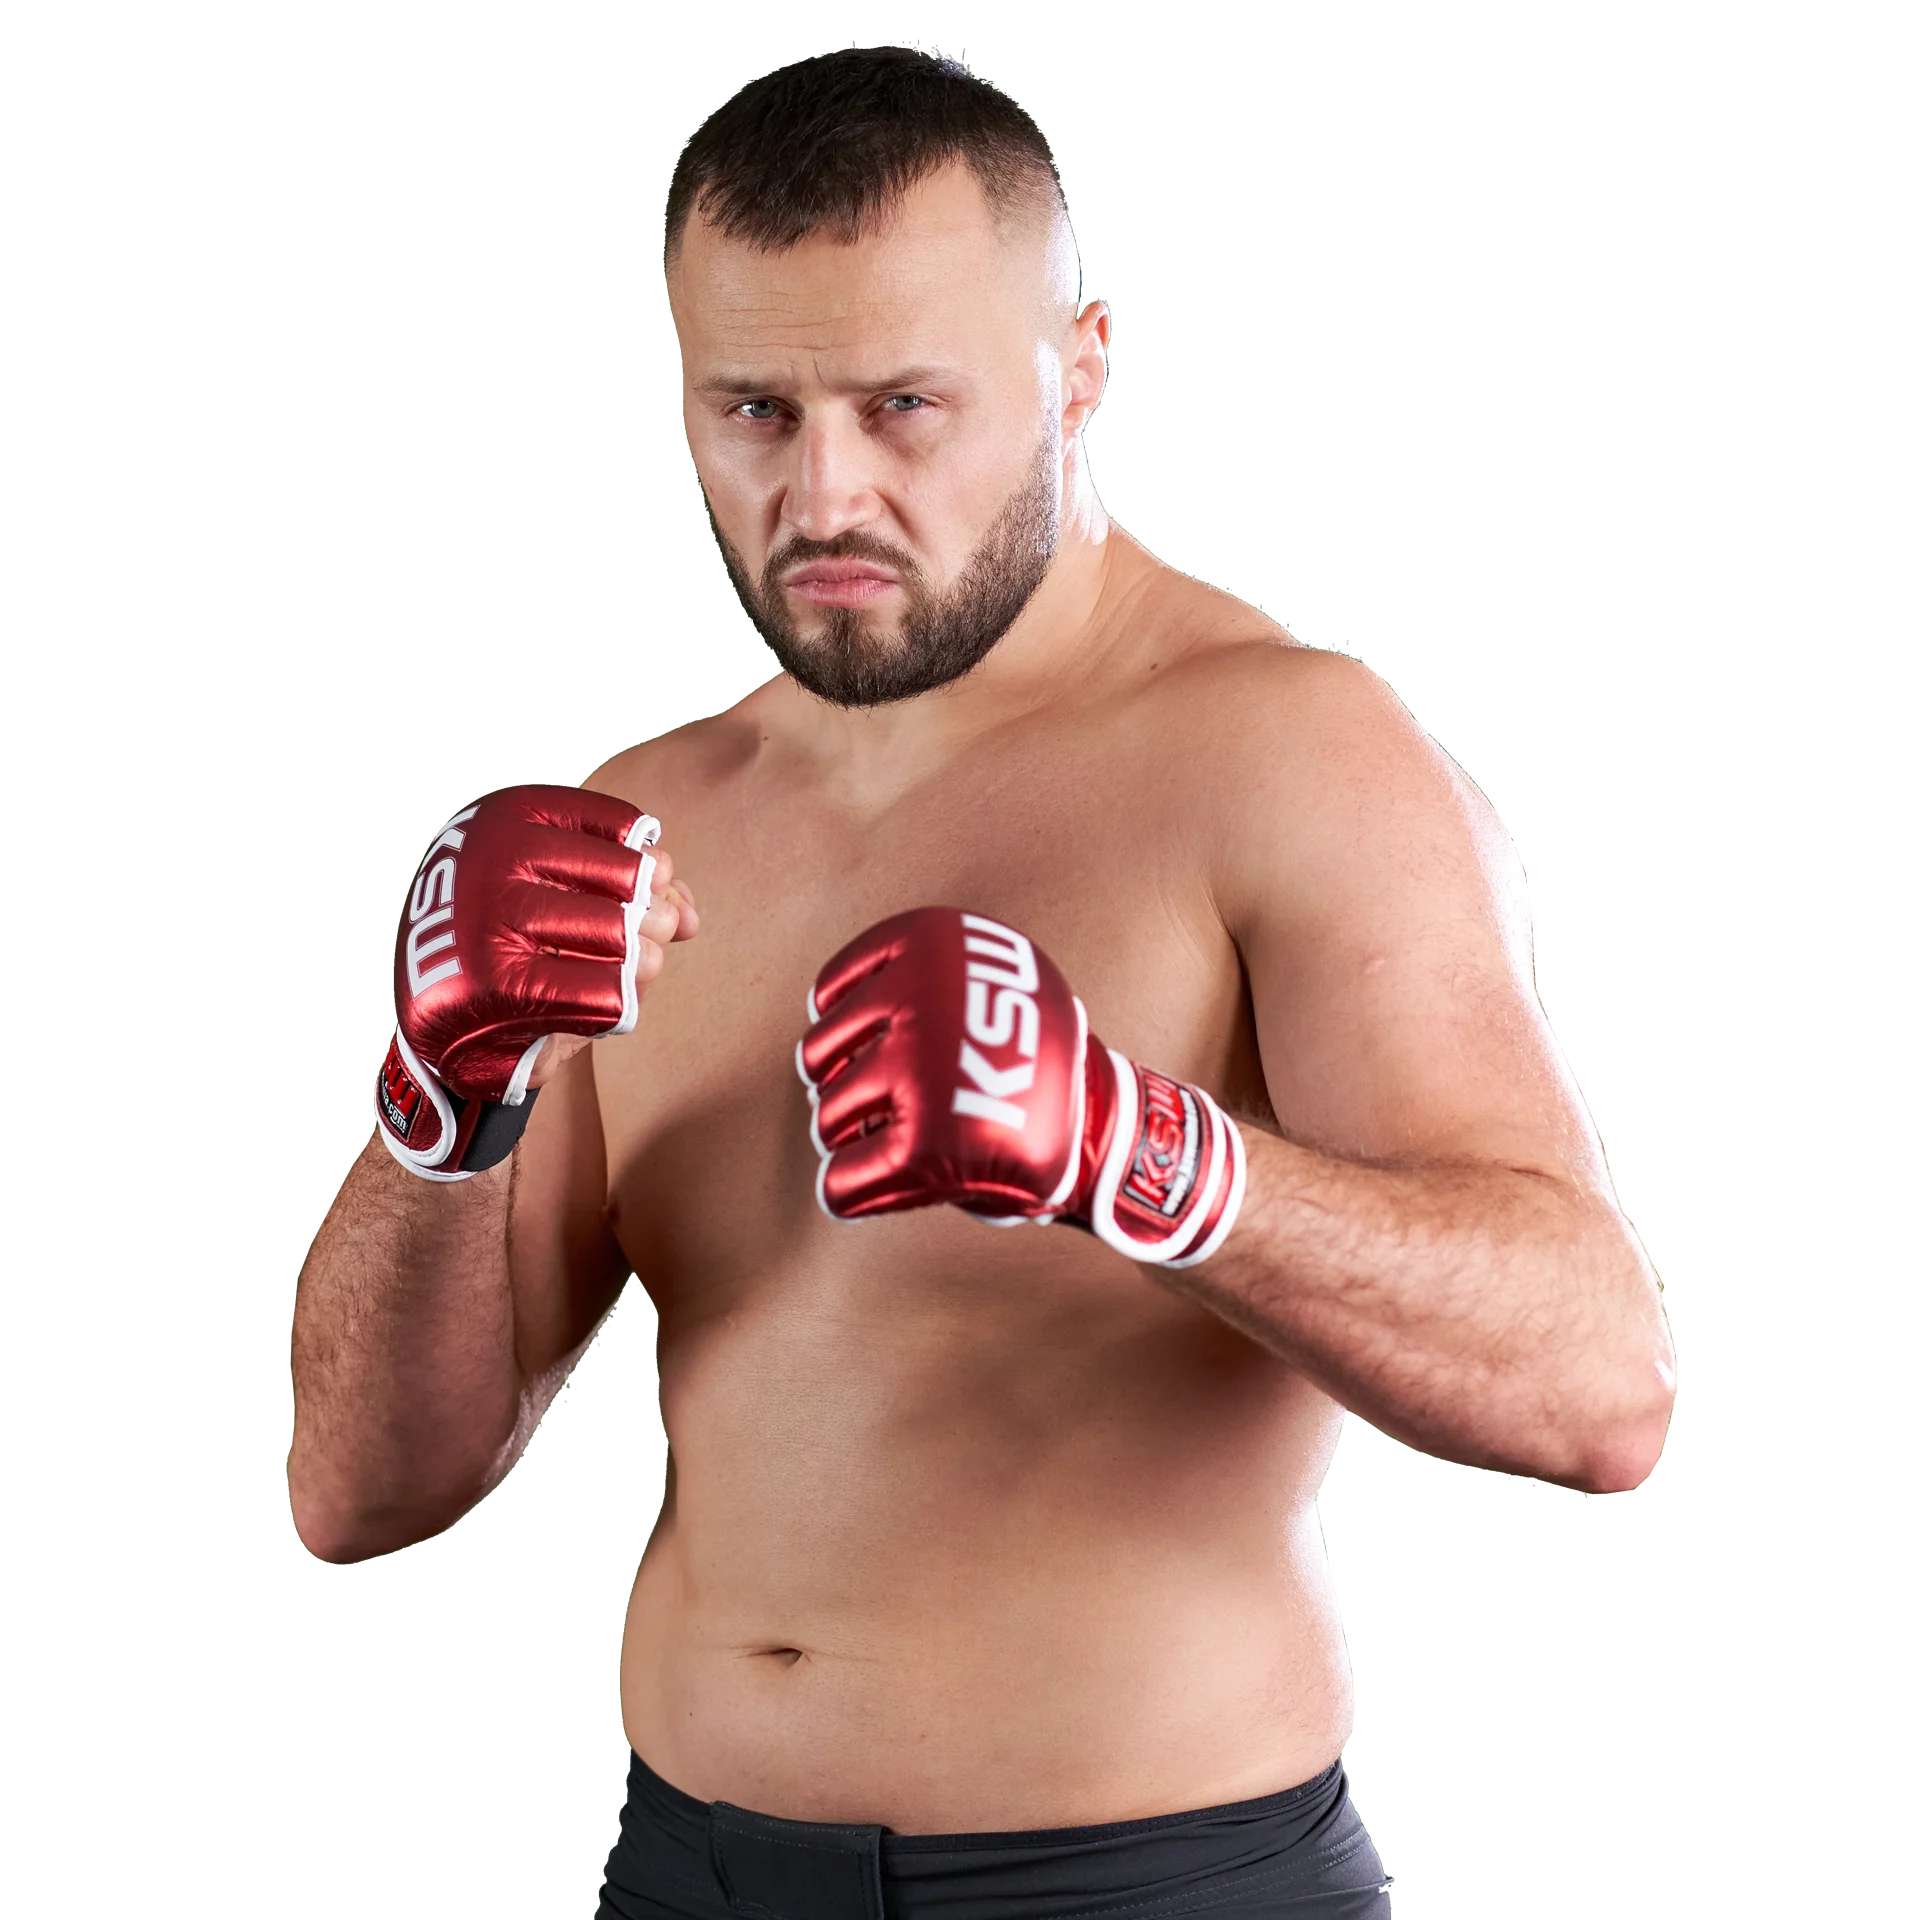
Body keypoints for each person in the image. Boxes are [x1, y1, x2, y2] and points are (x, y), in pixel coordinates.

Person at [288, 44, 1676, 1920]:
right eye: (757, 410)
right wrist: (437, 1104)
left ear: (1078, 369)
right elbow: (357, 1492)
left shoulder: (1287, 756)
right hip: (688, 1868)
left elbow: (1599, 1392)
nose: (825, 493)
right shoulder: (649, 821)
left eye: (903, 408)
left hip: (1145, 1883)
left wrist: (1139, 1152)